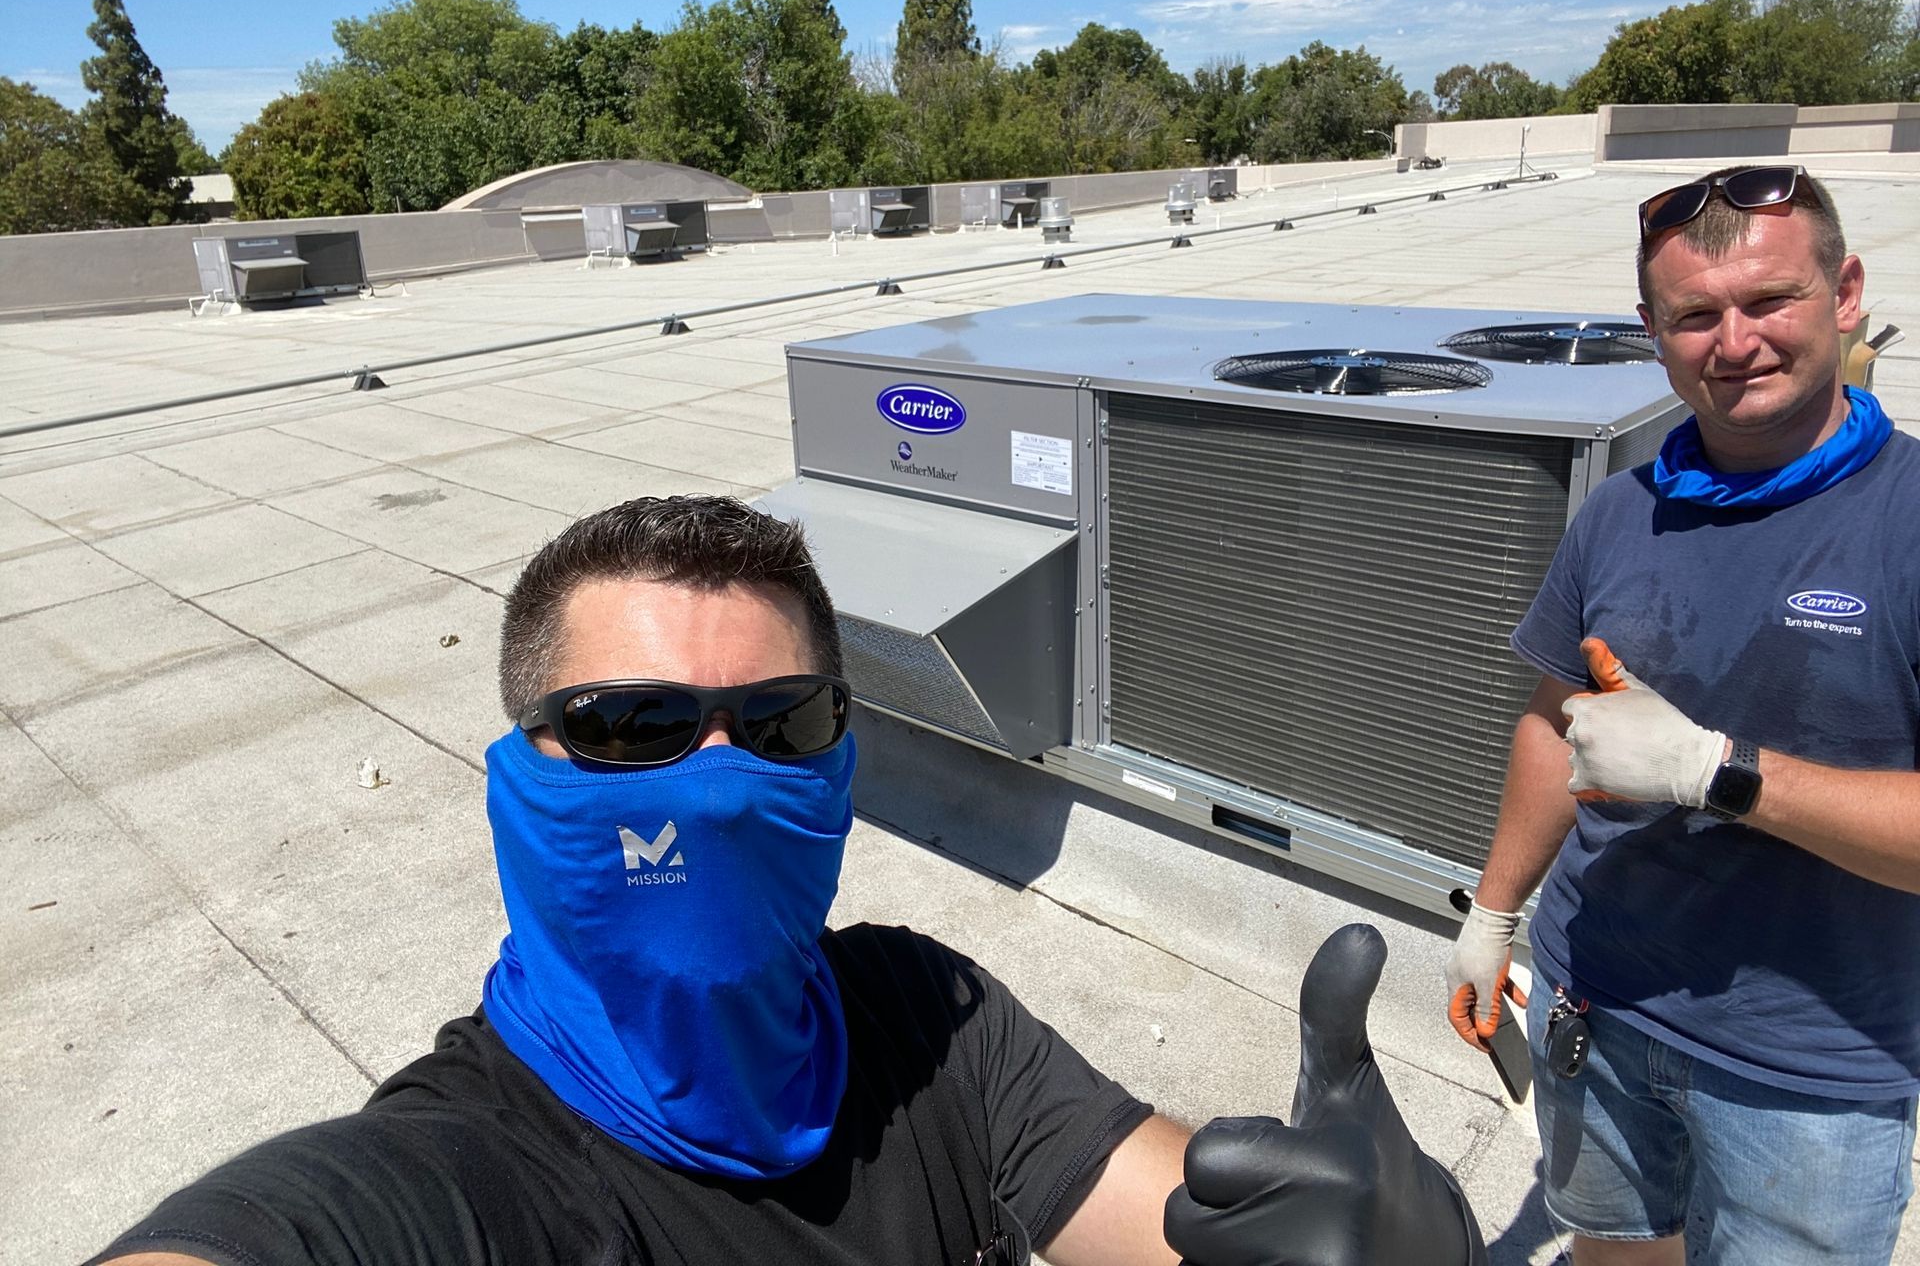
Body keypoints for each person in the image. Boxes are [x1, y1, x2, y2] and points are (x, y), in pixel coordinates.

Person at [91, 494, 1484, 1266]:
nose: (714, 782)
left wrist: (1348, 1229)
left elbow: (1177, 1214)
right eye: (629, 729)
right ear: (521, 777)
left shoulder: (927, 1018)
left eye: (778, 730)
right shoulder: (459, 1177)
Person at [1445, 164, 1920, 1265]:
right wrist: (1496, 914)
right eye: (1696, 316)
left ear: (1844, 293)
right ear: (1653, 335)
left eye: (1769, 302)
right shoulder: (1621, 513)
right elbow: (1550, 717)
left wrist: (1720, 770)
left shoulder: (1904, 520)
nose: (1734, 340)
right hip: (1592, 1007)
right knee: (1612, 1252)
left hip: (1810, 1074)